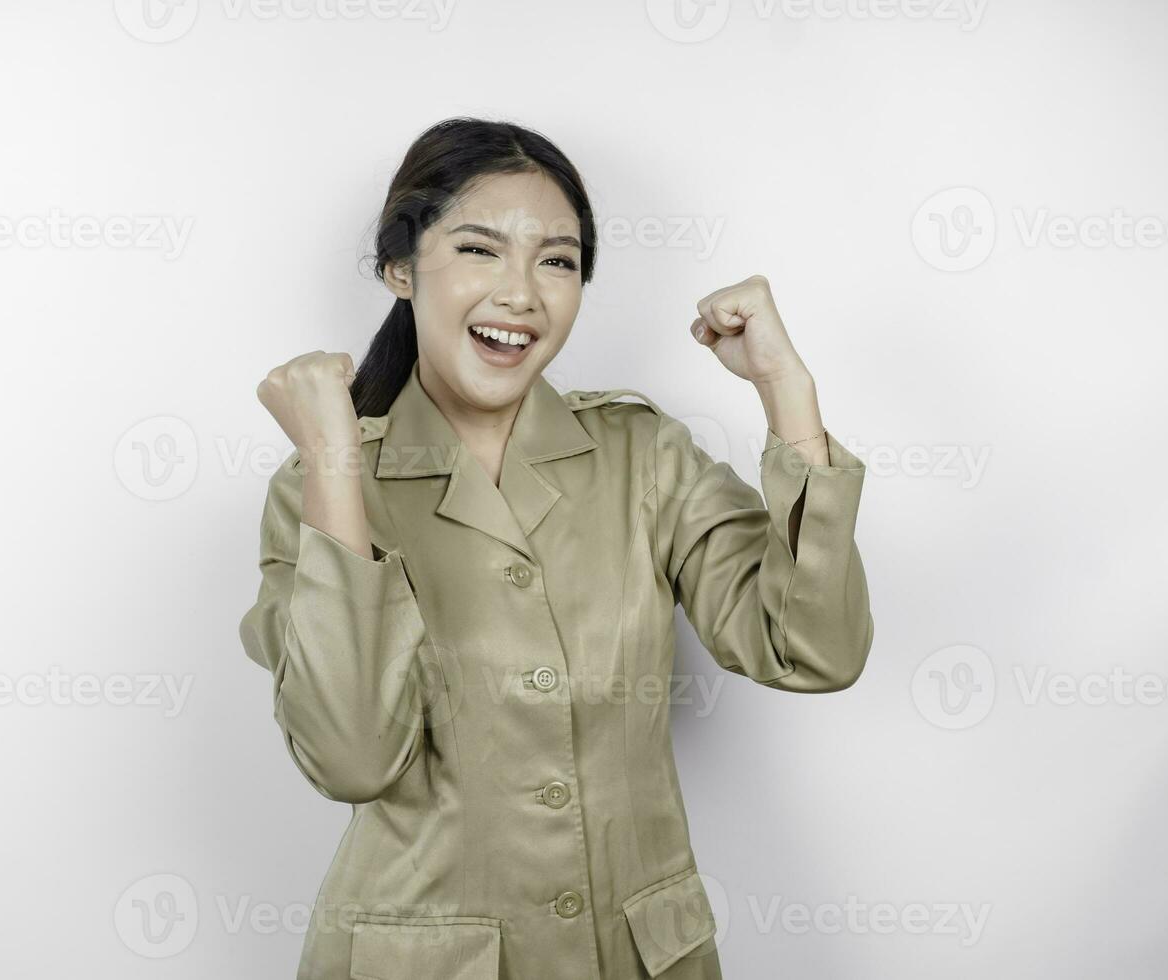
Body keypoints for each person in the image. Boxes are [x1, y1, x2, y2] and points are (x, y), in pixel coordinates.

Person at [239, 117, 874, 979]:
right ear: (399, 268)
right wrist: (334, 464)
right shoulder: (324, 484)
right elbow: (352, 759)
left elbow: (813, 650)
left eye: (558, 260)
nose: (522, 294)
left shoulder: (640, 455)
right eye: (478, 250)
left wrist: (786, 393)